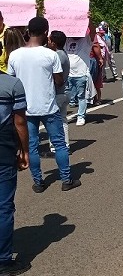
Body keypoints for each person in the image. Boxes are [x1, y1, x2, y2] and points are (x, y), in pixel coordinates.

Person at [8, 17, 80, 192]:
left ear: (28, 31)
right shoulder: (50, 55)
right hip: (48, 105)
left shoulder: (15, 55)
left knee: (31, 146)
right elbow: (59, 80)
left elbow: (12, 80)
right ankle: (66, 179)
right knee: (59, 143)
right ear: (46, 33)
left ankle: (39, 182)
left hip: (25, 107)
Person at [0, 41, 31, 275]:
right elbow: (19, 122)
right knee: (3, 206)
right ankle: (3, 259)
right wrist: (25, 150)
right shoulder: (11, 84)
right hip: (3, 148)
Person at [42, 31, 71, 158]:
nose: (48, 42)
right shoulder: (62, 53)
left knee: (53, 122)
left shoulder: (57, 56)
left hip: (57, 93)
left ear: (54, 42)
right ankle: (65, 145)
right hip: (64, 92)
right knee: (62, 120)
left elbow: (55, 76)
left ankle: (55, 148)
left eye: (49, 40)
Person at [65, 30, 93, 127]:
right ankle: (63, 116)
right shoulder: (67, 40)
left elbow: (93, 33)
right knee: (66, 97)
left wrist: (89, 19)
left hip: (81, 74)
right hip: (68, 74)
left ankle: (81, 116)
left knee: (81, 96)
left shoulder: (86, 39)